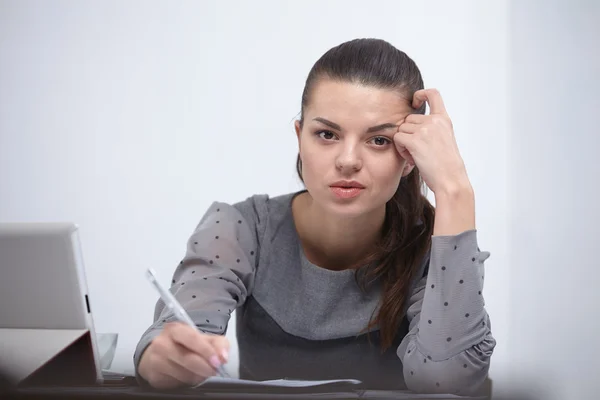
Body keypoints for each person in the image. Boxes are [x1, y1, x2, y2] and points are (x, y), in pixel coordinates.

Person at [134, 38, 496, 395]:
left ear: (409, 157)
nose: (348, 160)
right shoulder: (241, 228)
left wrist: (454, 189)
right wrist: (161, 358)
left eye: (379, 140)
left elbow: (448, 380)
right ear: (299, 137)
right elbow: (174, 338)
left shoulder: (438, 246)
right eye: (327, 134)